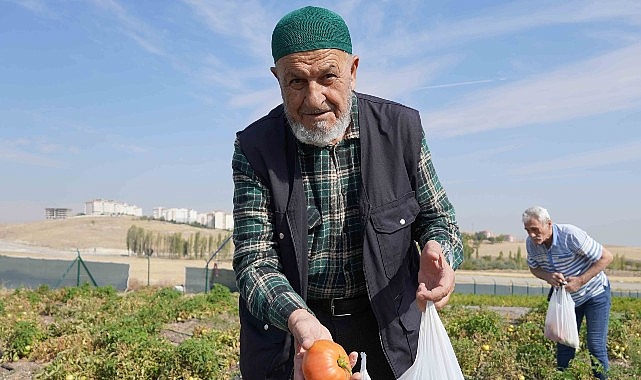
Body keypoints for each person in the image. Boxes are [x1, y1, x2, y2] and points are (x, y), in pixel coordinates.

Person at [232, 6, 463, 379]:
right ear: (277, 78)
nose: (314, 98)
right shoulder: (256, 148)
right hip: (296, 333)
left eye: (328, 77)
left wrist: (440, 252)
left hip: (386, 327)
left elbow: (440, 220)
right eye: (296, 82)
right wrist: (299, 320)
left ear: (353, 71)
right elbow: (253, 260)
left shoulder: (400, 131)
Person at [522, 206, 613, 379]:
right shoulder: (532, 244)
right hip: (567, 299)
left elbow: (606, 257)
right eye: (528, 231)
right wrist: (548, 276)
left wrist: (580, 280)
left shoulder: (570, 235)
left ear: (548, 224)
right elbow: (534, 269)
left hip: (595, 294)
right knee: (564, 343)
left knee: (595, 345)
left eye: (535, 229)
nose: (532, 235)